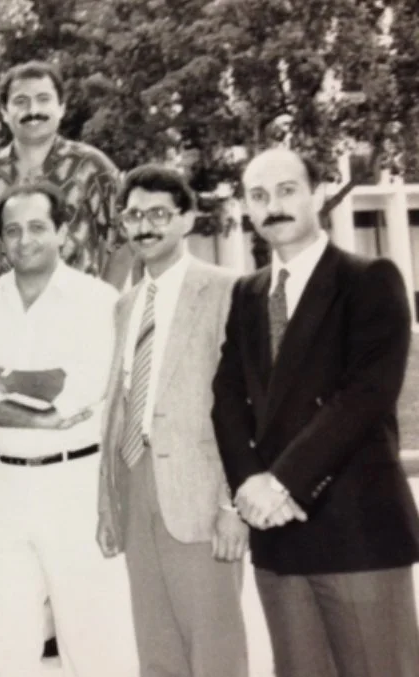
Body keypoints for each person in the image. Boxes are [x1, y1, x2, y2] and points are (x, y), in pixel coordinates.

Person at [212, 147, 419, 677]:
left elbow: (365, 397)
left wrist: (281, 484)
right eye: (259, 196)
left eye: (286, 191)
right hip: (277, 537)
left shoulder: (370, 279)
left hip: (357, 529)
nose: (273, 206)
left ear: (319, 194)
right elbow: (228, 398)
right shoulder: (247, 293)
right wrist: (248, 483)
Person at [0, 181, 132, 677]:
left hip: (75, 485)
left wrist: (6, 379)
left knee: (93, 644)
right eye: (12, 230)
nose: (24, 239)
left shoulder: (98, 300)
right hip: (3, 487)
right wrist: (43, 412)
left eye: (37, 227)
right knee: (8, 646)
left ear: (63, 233)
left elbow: (85, 387)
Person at [97, 165, 248, 676]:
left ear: (187, 219)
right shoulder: (124, 305)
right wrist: (108, 502)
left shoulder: (227, 291)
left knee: (215, 650)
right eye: (134, 216)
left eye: (159, 214)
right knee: (156, 650)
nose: (144, 227)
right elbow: (119, 404)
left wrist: (233, 504)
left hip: (200, 495)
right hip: (136, 486)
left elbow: (247, 406)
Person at [0, 60, 136, 289]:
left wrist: (106, 299)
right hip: (5, 308)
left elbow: (124, 240)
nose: (33, 111)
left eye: (43, 99)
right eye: (21, 101)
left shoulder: (93, 168)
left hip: (76, 306)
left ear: (61, 108)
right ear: (4, 112)